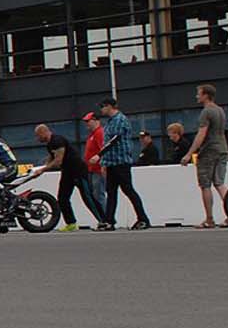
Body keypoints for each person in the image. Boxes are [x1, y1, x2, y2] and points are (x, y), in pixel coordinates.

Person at [31, 123, 104, 232]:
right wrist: (40, 168)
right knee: (62, 198)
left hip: (78, 171)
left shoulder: (57, 141)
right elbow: (51, 158)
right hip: (67, 172)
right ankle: (71, 223)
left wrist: (42, 170)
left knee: (88, 197)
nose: (37, 139)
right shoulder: (50, 144)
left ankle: (103, 221)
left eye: (38, 136)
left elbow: (57, 160)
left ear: (44, 132)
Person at [96, 98, 151, 230]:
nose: (101, 109)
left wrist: (99, 155)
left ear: (110, 106)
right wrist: (104, 162)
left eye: (103, 106)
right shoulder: (109, 122)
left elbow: (114, 140)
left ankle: (143, 219)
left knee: (128, 190)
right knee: (111, 192)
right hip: (111, 162)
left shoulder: (120, 120)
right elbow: (107, 140)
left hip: (120, 161)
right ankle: (109, 220)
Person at [182, 83, 228, 228]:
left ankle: (209, 219)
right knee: (220, 183)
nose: (197, 96)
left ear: (205, 95)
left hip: (209, 151)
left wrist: (189, 153)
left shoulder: (206, 112)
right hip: (223, 148)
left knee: (205, 185)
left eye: (199, 94)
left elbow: (201, 134)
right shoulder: (220, 110)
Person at [82, 112, 107, 216]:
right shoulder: (92, 134)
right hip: (92, 170)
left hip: (97, 170)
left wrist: (103, 165)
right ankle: (104, 218)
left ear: (96, 120)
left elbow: (104, 149)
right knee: (95, 195)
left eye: (89, 121)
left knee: (98, 195)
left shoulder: (99, 133)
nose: (87, 123)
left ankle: (105, 219)